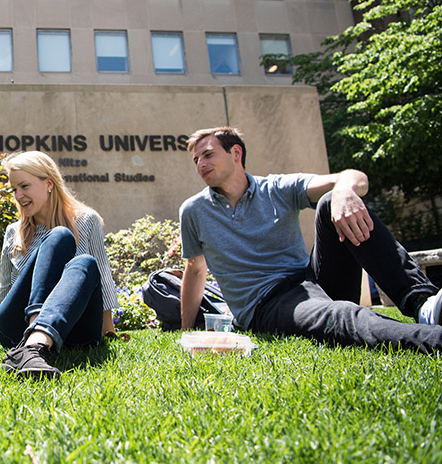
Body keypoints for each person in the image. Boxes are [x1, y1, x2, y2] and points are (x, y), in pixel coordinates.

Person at [178, 126, 442, 351]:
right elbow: (195, 269)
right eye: (196, 160)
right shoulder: (194, 211)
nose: (201, 164)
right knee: (341, 316)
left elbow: (354, 178)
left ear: (236, 153)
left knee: (331, 200)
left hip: (310, 281)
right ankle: (433, 339)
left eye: (208, 155)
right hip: (266, 304)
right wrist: (187, 330)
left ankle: (422, 305)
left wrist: (344, 191)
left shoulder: (277, 188)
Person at [0, 151, 119, 379]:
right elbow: (5, 289)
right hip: (18, 328)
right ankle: (33, 344)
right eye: (14, 190)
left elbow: (102, 275)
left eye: (24, 186)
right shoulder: (14, 232)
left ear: (49, 183)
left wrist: (108, 331)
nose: (18, 195)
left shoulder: (86, 221)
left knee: (84, 261)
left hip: (73, 328)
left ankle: (34, 345)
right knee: (59, 237)